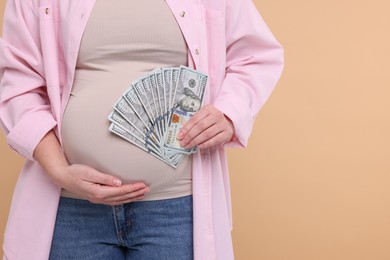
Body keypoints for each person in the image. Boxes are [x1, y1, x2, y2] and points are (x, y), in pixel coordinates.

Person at [0, 0, 284, 259]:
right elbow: (16, 82)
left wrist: (229, 113)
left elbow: (257, 56)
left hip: (177, 208)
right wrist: (60, 172)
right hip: (71, 207)